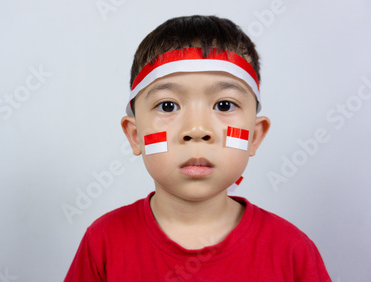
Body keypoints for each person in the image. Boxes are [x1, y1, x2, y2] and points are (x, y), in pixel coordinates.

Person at [65, 15, 331, 281]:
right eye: (168, 105)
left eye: (224, 105)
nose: (196, 130)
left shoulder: (292, 251)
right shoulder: (103, 242)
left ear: (254, 136)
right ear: (136, 136)